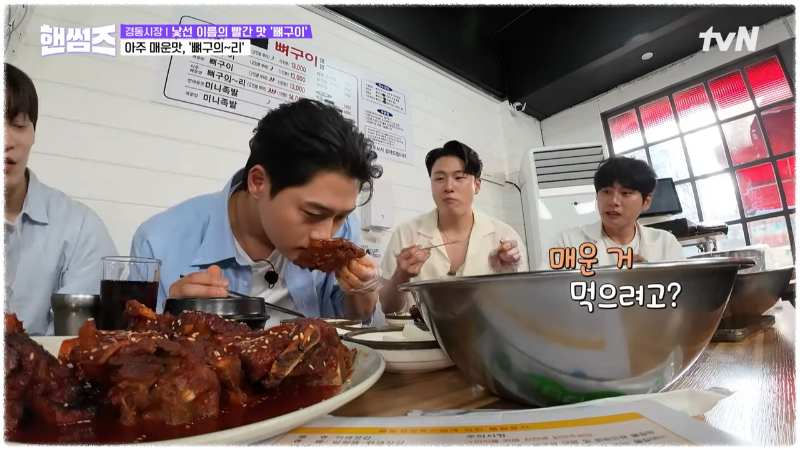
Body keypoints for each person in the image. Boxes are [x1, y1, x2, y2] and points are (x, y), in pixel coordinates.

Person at [130, 99, 384, 325]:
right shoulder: (158, 242)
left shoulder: (345, 228)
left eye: (340, 216)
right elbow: (133, 343)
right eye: (312, 213)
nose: (326, 235)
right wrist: (168, 322)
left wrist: (363, 293)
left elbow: (349, 320)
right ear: (258, 182)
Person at [4, 63, 118, 336]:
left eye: (18, 124)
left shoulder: (80, 228)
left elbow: (77, 346)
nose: (6, 140)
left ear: (33, 133)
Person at [379, 140, 528, 314]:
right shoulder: (406, 233)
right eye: (439, 178)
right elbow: (387, 308)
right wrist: (401, 275)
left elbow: (522, 309)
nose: (448, 187)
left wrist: (508, 274)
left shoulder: (504, 237)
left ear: (476, 185)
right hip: (418, 331)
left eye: (459, 178)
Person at [543, 156, 683, 269]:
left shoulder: (666, 243)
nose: (613, 201)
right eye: (606, 192)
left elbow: (680, 291)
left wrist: (648, 279)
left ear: (646, 201)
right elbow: (545, 292)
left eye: (625, 193)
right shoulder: (566, 242)